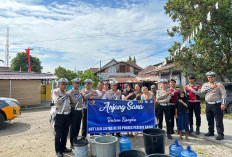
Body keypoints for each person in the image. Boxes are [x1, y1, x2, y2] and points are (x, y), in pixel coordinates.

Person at [201, 71, 227, 140]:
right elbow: (202, 91)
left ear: (214, 77)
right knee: (209, 118)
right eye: (209, 77)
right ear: (207, 78)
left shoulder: (219, 84)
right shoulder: (205, 84)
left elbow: (224, 94)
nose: (210, 78)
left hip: (217, 104)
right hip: (208, 105)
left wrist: (223, 103)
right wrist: (211, 88)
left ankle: (220, 134)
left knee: (218, 120)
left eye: (212, 77)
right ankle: (211, 131)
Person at [53, 78, 72, 157]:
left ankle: (63, 147)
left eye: (65, 85)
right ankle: (58, 150)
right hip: (59, 115)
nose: (64, 86)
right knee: (58, 134)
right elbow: (56, 102)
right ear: (59, 85)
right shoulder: (56, 92)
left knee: (65, 133)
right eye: (62, 84)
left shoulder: (67, 92)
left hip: (67, 115)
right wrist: (65, 96)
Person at [68, 78, 83, 149]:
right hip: (74, 111)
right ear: (73, 84)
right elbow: (74, 101)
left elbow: (81, 102)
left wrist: (82, 111)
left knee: (78, 127)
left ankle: (75, 140)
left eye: (78, 83)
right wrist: (80, 95)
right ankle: (72, 143)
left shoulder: (79, 91)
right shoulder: (71, 92)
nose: (78, 84)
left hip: (79, 111)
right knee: (73, 127)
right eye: (76, 83)